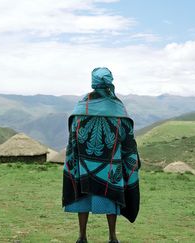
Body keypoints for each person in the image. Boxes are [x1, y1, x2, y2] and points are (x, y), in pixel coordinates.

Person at [62, 67, 141, 243]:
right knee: (111, 198)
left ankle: (82, 237)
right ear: (110, 81)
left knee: (82, 197)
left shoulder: (82, 106)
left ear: (93, 82)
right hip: (110, 167)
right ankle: (112, 237)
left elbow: (73, 136)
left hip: (84, 166)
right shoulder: (117, 107)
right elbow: (126, 138)